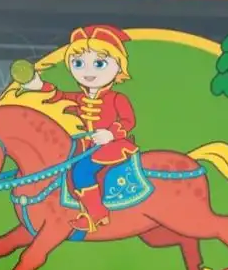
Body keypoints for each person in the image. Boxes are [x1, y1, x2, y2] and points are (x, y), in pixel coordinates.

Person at [18, 25, 138, 232]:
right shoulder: (79, 97)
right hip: (83, 146)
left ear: (119, 67)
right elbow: (58, 96)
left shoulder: (117, 98)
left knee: (82, 172)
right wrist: (38, 86)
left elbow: (129, 121)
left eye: (99, 64)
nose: (88, 72)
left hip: (110, 147)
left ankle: (97, 215)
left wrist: (110, 134)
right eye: (79, 63)